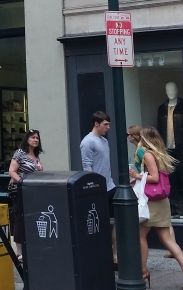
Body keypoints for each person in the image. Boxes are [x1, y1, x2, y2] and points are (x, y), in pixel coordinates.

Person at [129, 127, 183, 289]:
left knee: (140, 235)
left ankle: (143, 271)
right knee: (166, 238)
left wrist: (136, 176)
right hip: (161, 200)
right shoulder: (158, 153)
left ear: (146, 139)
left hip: (151, 201)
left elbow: (154, 177)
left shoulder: (147, 154)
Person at [80, 111, 116, 265]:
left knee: (117, 221)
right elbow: (86, 167)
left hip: (110, 186)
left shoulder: (104, 141)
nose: (108, 127)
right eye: (105, 124)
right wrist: (93, 188)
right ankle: (104, 254)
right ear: (96, 124)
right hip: (99, 190)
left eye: (109, 124)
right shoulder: (88, 142)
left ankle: (114, 254)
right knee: (100, 223)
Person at [8, 129, 44, 258]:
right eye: (33, 137)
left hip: (32, 192)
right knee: (19, 218)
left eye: (37, 138)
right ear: (27, 139)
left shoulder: (36, 156)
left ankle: (30, 247)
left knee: (32, 217)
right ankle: (19, 251)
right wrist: (23, 183)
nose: (35, 140)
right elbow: (12, 171)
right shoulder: (20, 153)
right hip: (19, 190)